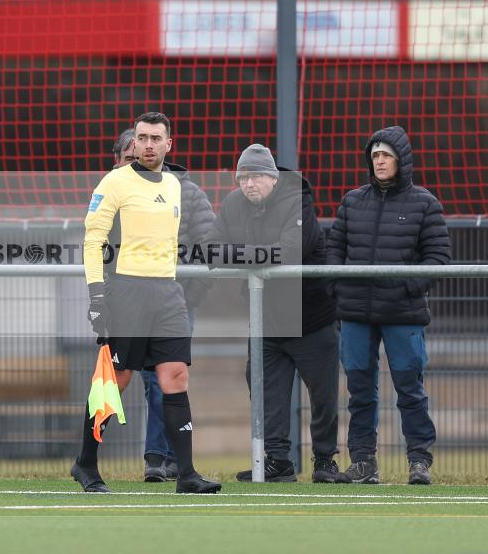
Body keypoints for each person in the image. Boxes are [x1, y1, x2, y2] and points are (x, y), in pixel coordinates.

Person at [72, 112, 221, 494]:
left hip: (168, 293)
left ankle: (186, 474)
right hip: (126, 294)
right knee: (114, 381)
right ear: (133, 144)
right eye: (142, 138)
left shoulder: (174, 185)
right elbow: (92, 241)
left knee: (175, 376)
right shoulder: (114, 182)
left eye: (157, 137)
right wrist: (97, 297)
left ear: (169, 144)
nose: (149, 144)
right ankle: (86, 464)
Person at [206, 144, 341, 483]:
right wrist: (259, 256)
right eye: (242, 178)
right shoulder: (234, 204)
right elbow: (210, 249)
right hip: (266, 319)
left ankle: (325, 461)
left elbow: (291, 251)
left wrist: (240, 254)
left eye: (255, 177)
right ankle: (277, 461)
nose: (248, 185)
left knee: (323, 395)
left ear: (272, 178)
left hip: (311, 317)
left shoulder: (297, 198)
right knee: (265, 393)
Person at [326, 126, 451, 485]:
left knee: (410, 389)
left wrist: (407, 288)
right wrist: (338, 288)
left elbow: (438, 258)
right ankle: (363, 463)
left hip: (402, 314)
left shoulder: (425, 203)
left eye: (386, 155)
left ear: (401, 161)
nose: (379, 161)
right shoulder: (352, 201)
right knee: (359, 392)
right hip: (356, 315)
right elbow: (334, 249)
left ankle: (418, 461)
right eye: (375, 155)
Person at [111, 128, 215, 482]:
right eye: (127, 158)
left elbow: (208, 246)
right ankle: (92, 456)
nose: (137, 159)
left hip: (173, 302)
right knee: (120, 378)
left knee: (164, 379)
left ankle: (161, 458)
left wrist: (188, 296)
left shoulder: (187, 193)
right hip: (128, 303)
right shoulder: (114, 193)